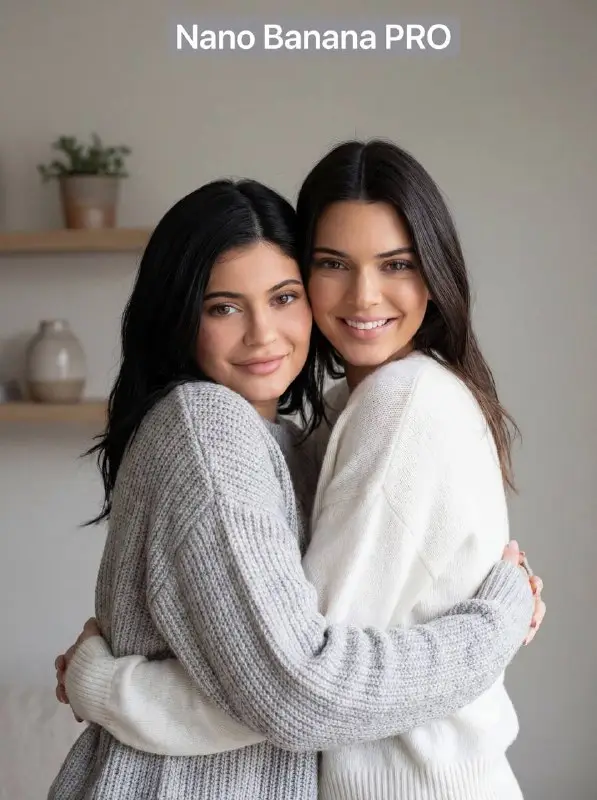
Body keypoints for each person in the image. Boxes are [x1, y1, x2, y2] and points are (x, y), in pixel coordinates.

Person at [49, 165, 543, 800]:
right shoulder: (209, 427)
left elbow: (290, 681)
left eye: (283, 298)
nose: (263, 335)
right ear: (177, 315)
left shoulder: (296, 436)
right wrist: (497, 624)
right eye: (223, 307)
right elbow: (296, 692)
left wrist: (102, 683)